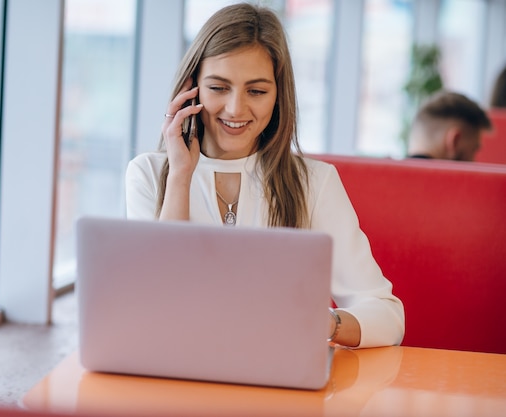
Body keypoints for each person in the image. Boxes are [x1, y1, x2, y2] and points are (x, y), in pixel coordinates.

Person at [125, 3, 404, 349]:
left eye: (256, 91)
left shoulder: (314, 182)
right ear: (191, 89)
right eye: (218, 88)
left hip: (280, 383)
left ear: (277, 96)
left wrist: (325, 323)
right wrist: (180, 175)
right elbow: (157, 304)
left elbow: (387, 316)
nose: (236, 109)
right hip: (176, 373)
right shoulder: (149, 174)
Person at [407, 90, 492, 161]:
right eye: (473, 150)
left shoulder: (395, 178)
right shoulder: (444, 181)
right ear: (454, 141)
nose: (473, 161)